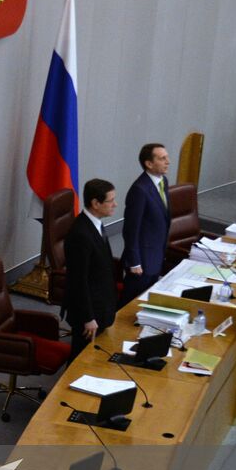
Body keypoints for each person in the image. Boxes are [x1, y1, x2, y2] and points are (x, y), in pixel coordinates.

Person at [62, 178, 119, 359]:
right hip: (88, 313)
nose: (115, 204)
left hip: (101, 305)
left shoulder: (96, 224)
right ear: (95, 203)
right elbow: (78, 281)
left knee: (93, 357)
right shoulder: (81, 234)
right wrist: (88, 318)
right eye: (110, 201)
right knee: (80, 359)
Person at [120, 143, 172, 304]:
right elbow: (130, 229)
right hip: (141, 262)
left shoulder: (163, 181)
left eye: (167, 157)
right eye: (162, 158)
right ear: (149, 164)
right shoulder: (139, 190)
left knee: (145, 302)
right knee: (130, 303)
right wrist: (134, 261)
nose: (168, 161)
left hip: (156, 255)